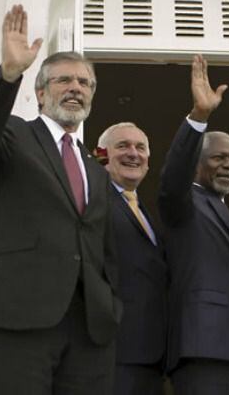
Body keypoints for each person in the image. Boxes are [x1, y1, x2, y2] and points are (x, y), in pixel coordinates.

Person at [0, 5, 120, 394]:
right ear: (41, 91)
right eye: (64, 80)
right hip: (19, 316)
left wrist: (112, 304)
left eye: (84, 82)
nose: (75, 88)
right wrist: (8, 74)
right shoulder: (13, 134)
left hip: (89, 330)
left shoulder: (96, 169)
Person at [158, 54, 229, 395]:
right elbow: (172, 179)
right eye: (219, 157)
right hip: (204, 354)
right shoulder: (184, 203)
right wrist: (199, 117)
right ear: (197, 163)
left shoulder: (226, 215)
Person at [97, 122, 167, 395]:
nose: (133, 154)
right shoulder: (94, 201)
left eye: (140, 148)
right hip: (113, 351)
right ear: (102, 155)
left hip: (150, 355)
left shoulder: (144, 211)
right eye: (123, 146)